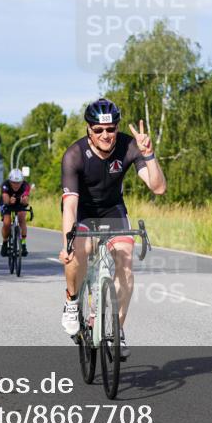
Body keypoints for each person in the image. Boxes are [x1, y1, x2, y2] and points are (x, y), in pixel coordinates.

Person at [59, 98, 166, 359]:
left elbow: (158, 187)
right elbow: (70, 206)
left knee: (125, 265)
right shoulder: (74, 155)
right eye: (98, 130)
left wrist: (148, 154)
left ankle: (116, 330)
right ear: (89, 130)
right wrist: (67, 244)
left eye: (111, 129)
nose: (106, 135)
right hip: (84, 212)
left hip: (113, 211)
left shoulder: (130, 146)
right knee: (77, 253)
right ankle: (72, 302)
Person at [0, 168, 31, 257]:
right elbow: (5, 198)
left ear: (22, 181)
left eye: (18, 183)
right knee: (7, 223)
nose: (16, 185)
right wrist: (9, 201)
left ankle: (24, 244)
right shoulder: (5, 185)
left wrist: (24, 200)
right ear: (10, 181)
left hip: (19, 202)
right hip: (6, 201)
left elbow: (26, 199)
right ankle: (5, 242)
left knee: (22, 219)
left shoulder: (25, 185)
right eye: (13, 182)